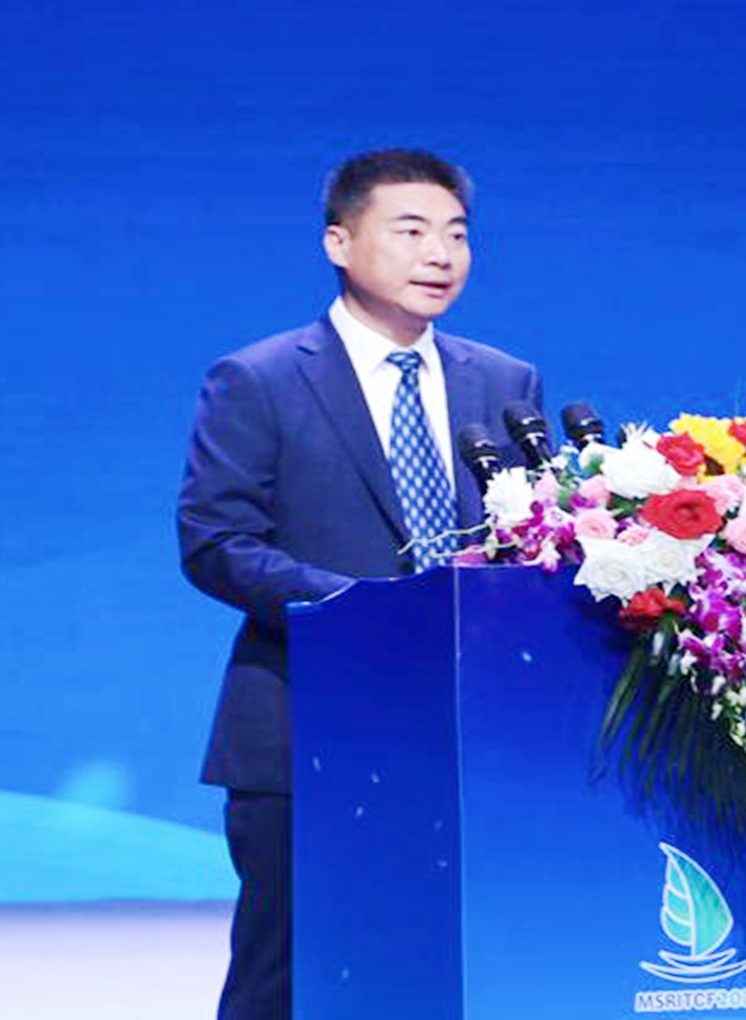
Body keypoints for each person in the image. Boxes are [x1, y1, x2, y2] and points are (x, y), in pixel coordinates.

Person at [177, 149, 543, 1020]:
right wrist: (365, 614)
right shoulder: (260, 379)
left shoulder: (505, 383)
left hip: (468, 733)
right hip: (309, 722)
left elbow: (532, 540)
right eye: (410, 231)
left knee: (450, 969)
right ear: (339, 243)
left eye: (457, 234)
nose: (440, 255)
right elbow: (215, 540)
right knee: (287, 978)